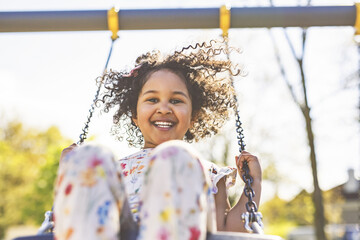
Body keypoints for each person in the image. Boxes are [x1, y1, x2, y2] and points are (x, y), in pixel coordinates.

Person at [53, 40, 262, 240]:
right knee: (90, 158)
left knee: (177, 157)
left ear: (193, 115)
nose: (163, 108)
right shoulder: (113, 173)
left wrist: (253, 185)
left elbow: (227, 233)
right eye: (152, 99)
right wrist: (73, 172)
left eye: (176, 100)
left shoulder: (207, 172)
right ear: (134, 115)